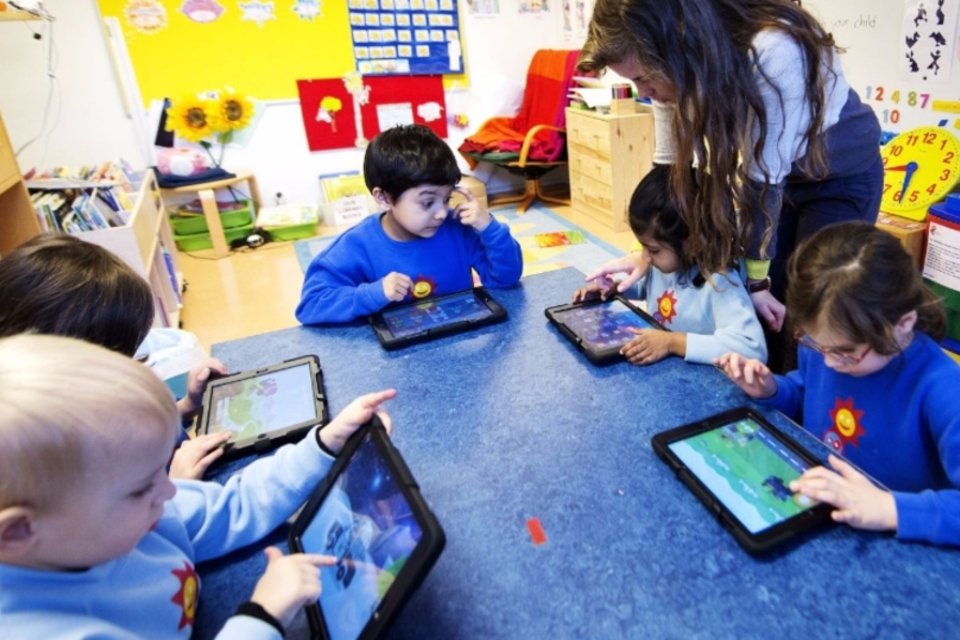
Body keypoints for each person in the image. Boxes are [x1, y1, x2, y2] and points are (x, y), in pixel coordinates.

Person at [0, 333, 398, 638]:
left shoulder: (134, 514)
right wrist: (261, 615)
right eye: (142, 487)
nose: (171, 490)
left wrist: (324, 444)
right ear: (17, 531)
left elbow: (235, 503)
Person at [578, 0, 883, 371]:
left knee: (812, 308)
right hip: (781, 181)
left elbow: (761, 184)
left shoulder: (773, 52)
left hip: (838, 177)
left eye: (643, 78)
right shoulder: (676, 63)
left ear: (674, 49)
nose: (644, 92)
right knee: (771, 310)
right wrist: (649, 247)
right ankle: (771, 393)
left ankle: (802, 412)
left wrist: (757, 283)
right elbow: (669, 172)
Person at [717, 222, 960, 546]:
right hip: (823, 517)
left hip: (895, 548)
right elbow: (809, 393)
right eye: (817, 345)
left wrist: (889, 508)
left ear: (903, 324)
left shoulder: (943, 390)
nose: (829, 363)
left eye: (846, 353)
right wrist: (772, 390)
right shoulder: (827, 344)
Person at [0, 233, 229, 478]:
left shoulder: (88, 398)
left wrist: (186, 406)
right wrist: (178, 484)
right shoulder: (45, 448)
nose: (126, 369)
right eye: (116, 358)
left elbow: (139, 431)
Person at [296, 124, 523, 324]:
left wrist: (490, 228)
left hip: (459, 342)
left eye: (447, 199)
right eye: (427, 202)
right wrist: (373, 293)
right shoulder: (357, 245)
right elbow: (312, 305)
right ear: (384, 198)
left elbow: (505, 279)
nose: (442, 213)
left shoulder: (459, 228)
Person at [574, 165, 766, 365]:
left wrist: (673, 342)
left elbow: (753, 349)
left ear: (693, 242)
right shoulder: (666, 263)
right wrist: (615, 290)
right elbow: (648, 288)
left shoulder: (721, 283)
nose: (645, 258)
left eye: (653, 250)